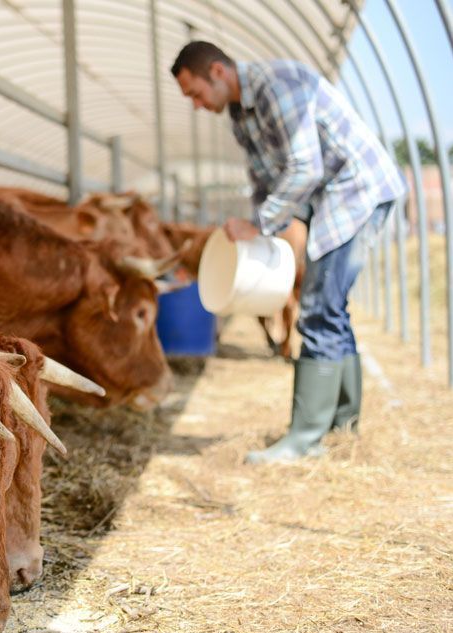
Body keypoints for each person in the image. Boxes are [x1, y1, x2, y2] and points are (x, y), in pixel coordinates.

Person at [170, 41, 406, 463]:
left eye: (195, 93)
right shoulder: (240, 117)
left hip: (357, 192)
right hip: (329, 199)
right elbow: (263, 181)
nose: (196, 104)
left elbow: (305, 167)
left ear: (219, 72)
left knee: (317, 308)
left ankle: (305, 438)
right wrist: (259, 225)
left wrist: (260, 224)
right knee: (331, 309)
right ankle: (342, 426)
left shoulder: (279, 85)